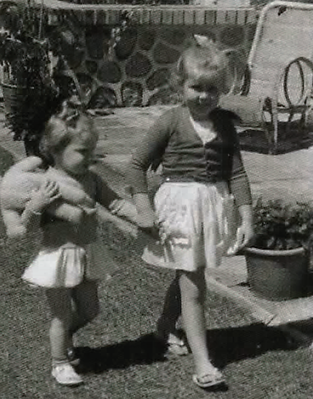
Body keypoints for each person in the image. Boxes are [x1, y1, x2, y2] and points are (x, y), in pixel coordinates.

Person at [126, 36, 254, 389]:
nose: (204, 96)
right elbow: (135, 166)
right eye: (196, 87)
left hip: (210, 208)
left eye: (212, 90)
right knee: (194, 284)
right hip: (179, 208)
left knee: (189, 272)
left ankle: (163, 329)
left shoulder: (225, 125)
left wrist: (247, 217)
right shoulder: (170, 121)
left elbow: (238, 173)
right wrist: (143, 208)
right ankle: (203, 362)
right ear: (180, 85)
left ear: (222, 90)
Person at [18, 99, 136, 386]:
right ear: (55, 150)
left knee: (89, 309)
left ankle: (66, 337)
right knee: (60, 314)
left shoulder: (92, 179)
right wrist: (36, 204)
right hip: (58, 256)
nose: (90, 157)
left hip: (86, 252)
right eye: (83, 151)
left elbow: (117, 203)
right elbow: (27, 226)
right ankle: (59, 363)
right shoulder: (46, 183)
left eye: (92, 151)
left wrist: (144, 219)